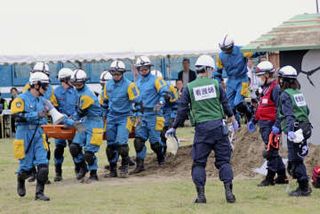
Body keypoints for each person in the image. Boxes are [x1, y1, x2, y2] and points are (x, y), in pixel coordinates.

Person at [166, 55, 239, 204]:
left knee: (199, 163)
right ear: (207, 69)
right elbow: (225, 105)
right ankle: (229, 193)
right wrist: (233, 119)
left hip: (202, 130)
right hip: (219, 127)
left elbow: (182, 111)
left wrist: (174, 127)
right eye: (211, 69)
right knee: (224, 162)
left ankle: (201, 196)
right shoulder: (216, 84)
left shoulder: (189, 88)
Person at [11, 72, 51, 201]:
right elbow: (16, 116)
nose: (46, 89)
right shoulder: (20, 99)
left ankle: (39, 193)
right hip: (24, 134)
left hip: (39, 134)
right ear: (36, 85)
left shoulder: (42, 100)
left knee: (43, 165)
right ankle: (20, 179)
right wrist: (36, 115)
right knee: (26, 169)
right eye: (44, 86)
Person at [247, 61, 288, 186]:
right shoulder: (265, 89)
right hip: (264, 124)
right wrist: (254, 120)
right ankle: (282, 176)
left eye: (260, 76)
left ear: (266, 75)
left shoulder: (275, 89)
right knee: (272, 150)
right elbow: (261, 107)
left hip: (272, 125)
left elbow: (279, 109)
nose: (259, 79)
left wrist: (277, 125)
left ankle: (269, 178)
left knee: (270, 151)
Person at [276, 65, 312, 196]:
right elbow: (307, 111)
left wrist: (290, 130)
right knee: (295, 159)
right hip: (305, 127)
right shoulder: (298, 93)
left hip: (295, 131)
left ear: (283, 80)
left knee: (296, 160)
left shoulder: (285, 95)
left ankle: (304, 188)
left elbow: (289, 115)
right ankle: (302, 184)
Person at [103, 60, 142, 178]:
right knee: (110, 145)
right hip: (111, 117)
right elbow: (105, 102)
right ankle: (112, 169)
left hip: (125, 117)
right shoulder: (108, 85)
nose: (116, 76)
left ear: (123, 73)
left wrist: (138, 115)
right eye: (113, 74)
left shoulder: (130, 85)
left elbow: (138, 102)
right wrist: (103, 116)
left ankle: (125, 166)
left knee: (121, 144)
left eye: (118, 73)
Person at [216, 35, 264, 126]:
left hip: (243, 80)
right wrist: (218, 82)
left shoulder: (242, 50)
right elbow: (217, 72)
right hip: (230, 81)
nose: (226, 52)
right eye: (224, 49)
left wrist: (265, 49)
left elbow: (255, 53)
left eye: (227, 49)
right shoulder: (220, 56)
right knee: (229, 106)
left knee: (238, 103)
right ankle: (237, 124)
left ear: (232, 45)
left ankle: (249, 114)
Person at [133, 56, 169, 173]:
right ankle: (140, 164)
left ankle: (161, 158)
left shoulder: (156, 80)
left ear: (149, 68)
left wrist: (161, 102)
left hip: (154, 114)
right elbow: (135, 99)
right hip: (142, 115)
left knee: (155, 143)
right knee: (138, 141)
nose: (143, 70)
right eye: (141, 69)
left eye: (145, 68)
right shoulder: (136, 83)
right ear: (138, 69)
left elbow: (165, 92)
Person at [69, 69, 104, 182]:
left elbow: (79, 112)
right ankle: (82, 167)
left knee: (89, 152)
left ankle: (93, 173)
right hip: (84, 121)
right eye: (75, 83)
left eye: (79, 83)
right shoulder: (77, 92)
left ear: (84, 82)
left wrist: (66, 120)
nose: (77, 85)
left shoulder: (87, 95)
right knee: (74, 147)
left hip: (95, 123)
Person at [52, 68, 79, 182]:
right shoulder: (56, 92)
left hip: (73, 123)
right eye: (70, 79)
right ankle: (58, 172)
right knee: (59, 148)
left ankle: (79, 170)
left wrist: (73, 117)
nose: (73, 81)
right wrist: (62, 118)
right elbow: (54, 108)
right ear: (64, 79)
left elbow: (79, 107)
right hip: (60, 124)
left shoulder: (76, 91)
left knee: (75, 147)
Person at [151, 70, 179, 156]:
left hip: (168, 113)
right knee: (156, 135)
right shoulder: (150, 89)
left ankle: (173, 149)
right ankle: (162, 152)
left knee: (166, 133)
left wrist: (173, 116)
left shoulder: (169, 87)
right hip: (156, 114)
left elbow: (176, 104)